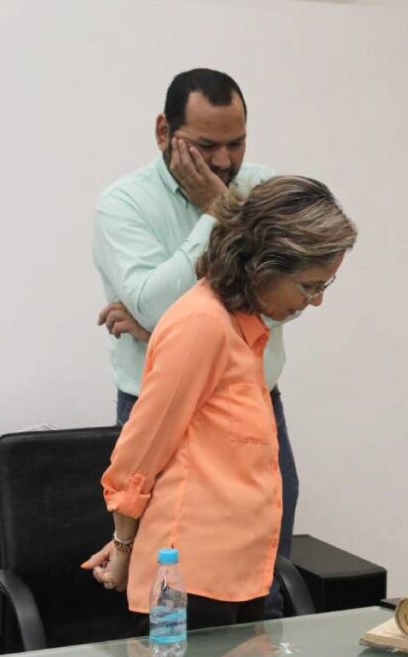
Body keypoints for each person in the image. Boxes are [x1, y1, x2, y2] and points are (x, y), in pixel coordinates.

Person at [83, 176, 357, 630]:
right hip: (191, 584)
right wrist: (126, 544)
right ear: (264, 265)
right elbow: (142, 447)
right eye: (309, 287)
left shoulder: (243, 329)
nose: (317, 301)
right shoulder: (201, 325)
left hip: (235, 576)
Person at [91, 69, 301, 612]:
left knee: (260, 580)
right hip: (158, 409)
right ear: (164, 132)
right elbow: (157, 306)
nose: (225, 162)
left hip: (250, 408)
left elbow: (285, 301)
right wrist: (219, 213)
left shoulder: (265, 188)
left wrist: (158, 327)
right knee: (169, 596)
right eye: (207, 145)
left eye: (237, 143)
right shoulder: (123, 203)